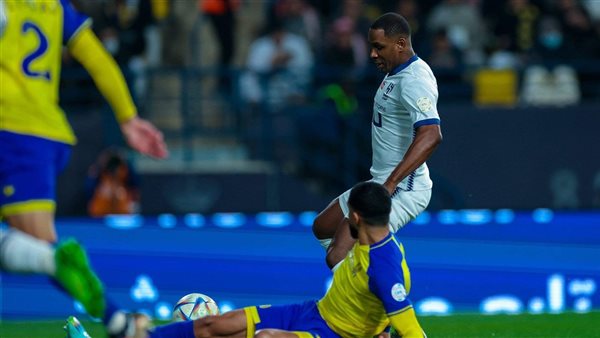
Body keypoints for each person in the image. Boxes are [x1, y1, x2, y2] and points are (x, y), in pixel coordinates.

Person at [66, 182, 427, 338]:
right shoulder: (367, 241)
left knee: (267, 336)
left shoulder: (384, 266)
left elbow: (410, 328)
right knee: (215, 326)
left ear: (357, 217)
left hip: (335, 334)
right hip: (314, 313)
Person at [0, 0, 167, 335]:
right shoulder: (57, 7)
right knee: (36, 248)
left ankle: (118, 322)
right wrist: (128, 116)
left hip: (14, 133)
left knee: (44, 248)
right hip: (41, 134)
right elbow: (96, 56)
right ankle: (120, 323)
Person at [312, 12, 443, 270]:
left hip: (404, 187)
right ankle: (367, 276)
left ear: (401, 44)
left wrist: (390, 184)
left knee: (337, 256)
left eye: (379, 47)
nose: (373, 54)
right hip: (380, 181)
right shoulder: (396, 71)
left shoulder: (414, 80)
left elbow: (432, 134)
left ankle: (383, 295)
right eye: (372, 46)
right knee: (323, 227)